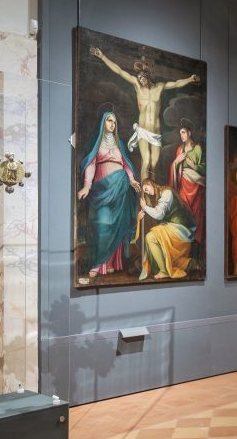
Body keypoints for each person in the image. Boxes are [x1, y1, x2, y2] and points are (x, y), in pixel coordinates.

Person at [89, 46, 200, 179]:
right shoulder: (138, 87)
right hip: (143, 131)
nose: (141, 79)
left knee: (154, 164)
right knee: (146, 161)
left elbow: (176, 84)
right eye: (139, 78)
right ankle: (144, 191)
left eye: (142, 77)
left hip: (156, 132)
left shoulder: (159, 87)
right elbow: (119, 71)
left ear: (147, 77)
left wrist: (190, 79)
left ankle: (152, 190)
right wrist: (102, 56)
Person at [77, 111, 140, 279]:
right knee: (103, 224)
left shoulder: (119, 144)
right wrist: (87, 186)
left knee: (116, 225)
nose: (112, 124)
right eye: (109, 120)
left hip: (120, 188)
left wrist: (131, 180)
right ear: (103, 123)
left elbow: (125, 165)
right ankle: (99, 263)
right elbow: (91, 165)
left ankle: (110, 262)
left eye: (114, 121)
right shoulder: (97, 144)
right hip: (102, 189)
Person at [137, 179, 196, 280]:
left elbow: (159, 214)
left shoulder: (166, 193)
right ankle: (164, 268)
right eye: (145, 192)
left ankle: (164, 271)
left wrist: (145, 207)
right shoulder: (159, 196)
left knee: (150, 237)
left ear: (150, 183)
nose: (147, 193)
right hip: (173, 228)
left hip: (181, 230)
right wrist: (140, 216)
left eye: (146, 189)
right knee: (152, 237)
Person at [169, 118, 205, 246]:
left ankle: (195, 246)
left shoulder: (198, 149)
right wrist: (176, 162)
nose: (182, 136)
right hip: (183, 187)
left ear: (189, 133)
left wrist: (194, 166)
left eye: (183, 132)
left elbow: (205, 168)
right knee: (184, 214)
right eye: (180, 133)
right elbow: (174, 167)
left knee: (196, 216)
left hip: (196, 188)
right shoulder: (180, 150)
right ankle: (184, 246)